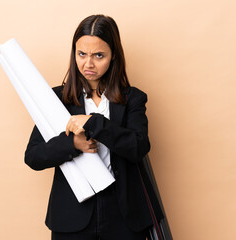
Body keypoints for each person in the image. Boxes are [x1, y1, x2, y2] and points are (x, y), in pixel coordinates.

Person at [25, 14, 160, 240]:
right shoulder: (56, 98)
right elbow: (34, 156)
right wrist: (72, 144)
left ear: (113, 55)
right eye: (81, 54)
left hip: (124, 216)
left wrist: (95, 122)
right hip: (72, 216)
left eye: (99, 55)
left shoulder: (133, 98)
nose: (88, 64)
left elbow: (138, 147)